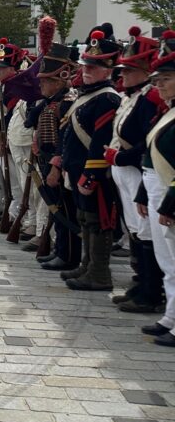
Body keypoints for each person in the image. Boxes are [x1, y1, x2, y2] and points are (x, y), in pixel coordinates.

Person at [58, 25, 122, 291]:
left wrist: (91, 173)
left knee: (97, 221)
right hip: (77, 168)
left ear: (108, 70)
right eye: (86, 66)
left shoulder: (106, 98)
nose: (86, 70)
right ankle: (86, 265)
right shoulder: (89, 95)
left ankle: (99, 273)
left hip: (93, 171)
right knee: (85, 217)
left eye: (93, 67)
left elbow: (100, 140)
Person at [106, 26, 164, 313]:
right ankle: (140, 282)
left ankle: (151, 291)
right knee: (136, 231)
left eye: (129, 71)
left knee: (147, 231)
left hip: (138, 171)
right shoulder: (133, 96)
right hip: (125, 172)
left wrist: (121, 157)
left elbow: (147, 141)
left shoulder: (150, 98)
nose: (123, 75)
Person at [138, 29, 175, 347]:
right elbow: (149, 155)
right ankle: (171, 316)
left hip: (169, 193)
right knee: (167, 259)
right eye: (157, 79)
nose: (158, 85)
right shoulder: (168, 112)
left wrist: (170, 202)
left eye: (165, 79)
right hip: (156, 188)